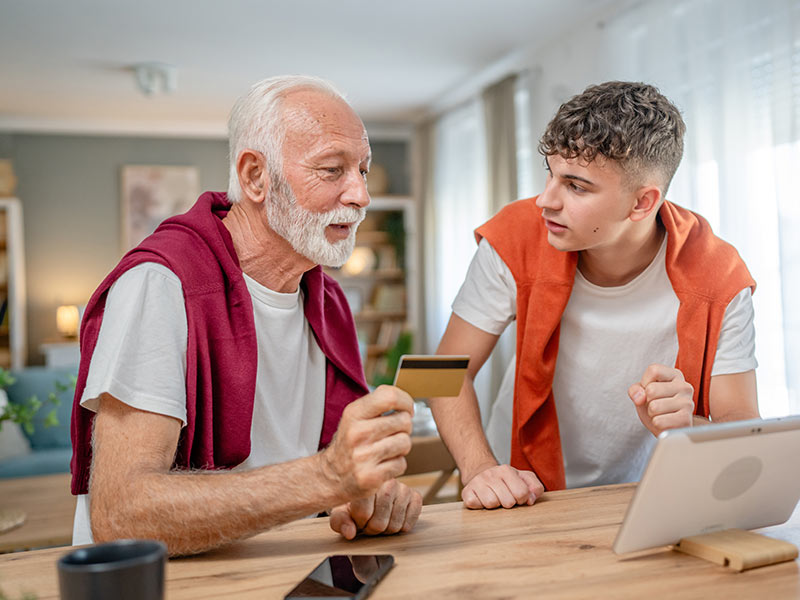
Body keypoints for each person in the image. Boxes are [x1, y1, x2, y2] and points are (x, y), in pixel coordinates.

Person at [69, 75, 422, 555]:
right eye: (332, 170)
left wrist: (367, 497)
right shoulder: (161, 285)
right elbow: (121, 513)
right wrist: (327, 477)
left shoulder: (327, 301)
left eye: (362, 169)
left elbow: (330, 486)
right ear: (256, 176)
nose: (360, 195)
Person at [429, 81, 760, 509]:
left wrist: (685, 422)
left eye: (576, 186)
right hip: (518, 489)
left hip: (645, 497)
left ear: (642, 203)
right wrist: (478, 469)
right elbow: (438, 371)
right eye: (549, 172)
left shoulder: (720, 274)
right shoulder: (513, 237)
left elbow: (742, 431)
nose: (545, 201)